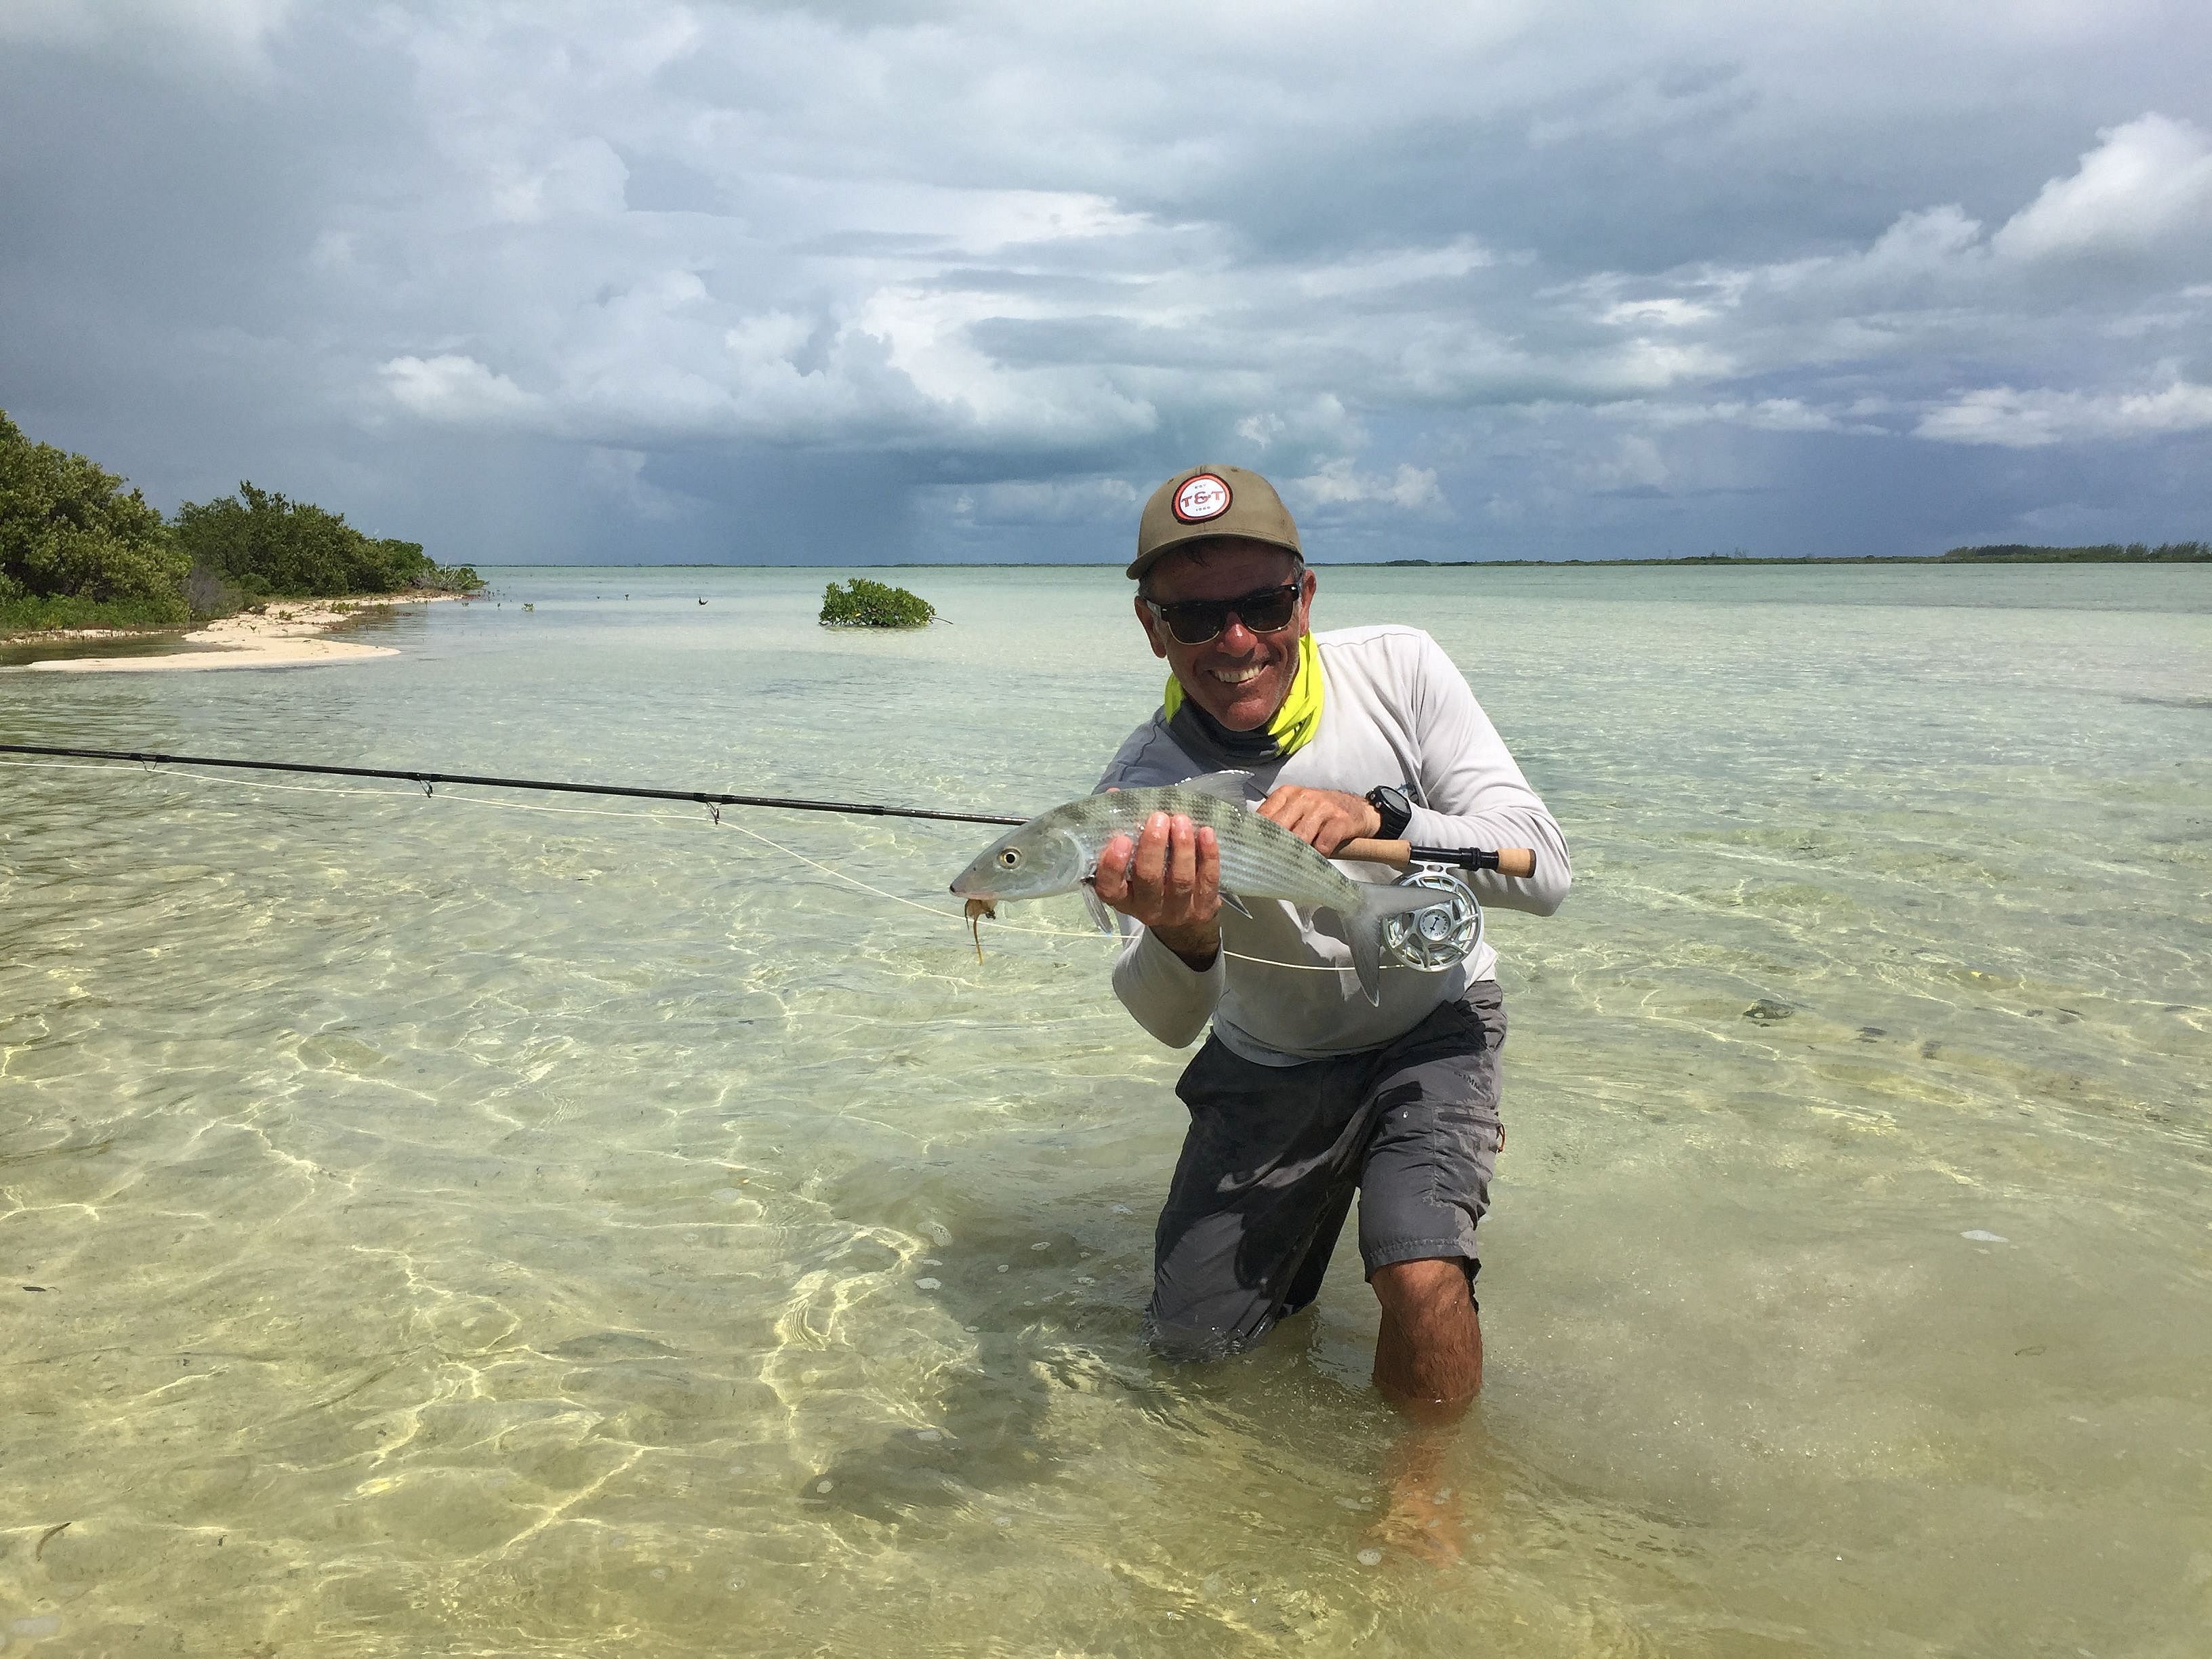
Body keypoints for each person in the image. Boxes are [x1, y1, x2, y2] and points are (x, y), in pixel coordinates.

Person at [1092, 463, 1570, 1410]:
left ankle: (1430, 1505)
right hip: (1267, 1056)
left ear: (1305, 598)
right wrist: (1185, 942)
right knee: (1191, 1355)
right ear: (1151, 628)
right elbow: (1163, 1022)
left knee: (1419, 1271)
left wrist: (1389, 820)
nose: (1235, 641)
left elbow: (1547, 870)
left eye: (1264, 604)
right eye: (1193, 617)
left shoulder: (1401, 667)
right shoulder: (1140, 790)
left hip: (1431, 1024)